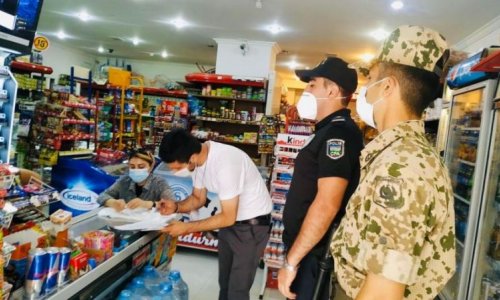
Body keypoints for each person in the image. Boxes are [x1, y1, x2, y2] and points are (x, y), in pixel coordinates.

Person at [330, 25, 456, 300]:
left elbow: (382, 292)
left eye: (371, 79)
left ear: (387, 87)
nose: (364, 90)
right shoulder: (402, 153)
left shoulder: (400, 168)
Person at [278, 57, 364, 300]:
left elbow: (327, 204)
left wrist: (291, 263)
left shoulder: (338, 134)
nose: (306, 90)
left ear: (333, 90)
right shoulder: (327, 130)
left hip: (314, 255)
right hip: (306, 250)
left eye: (312, 84)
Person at [157, 129, 272, 300]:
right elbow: (198, 198)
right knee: (225, 283)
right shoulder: (198, 160)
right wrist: (175, 207)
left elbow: (227, 217)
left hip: (252, 226)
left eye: (178, 168)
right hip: (231, 223)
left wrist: (186, 228)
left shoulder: (225, 163)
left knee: (237, 289)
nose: (175, 173)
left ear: (192, 158)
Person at [97, 148, 173, 211]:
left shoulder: (159, 183)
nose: (136, 170)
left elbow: (171, 205)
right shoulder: (125, 181)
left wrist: (149, 204)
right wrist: (113, 202)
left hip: (150, 227)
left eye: (141, 167)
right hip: (124, 224)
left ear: (150, 167)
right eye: (132, 167)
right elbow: (102, 196)